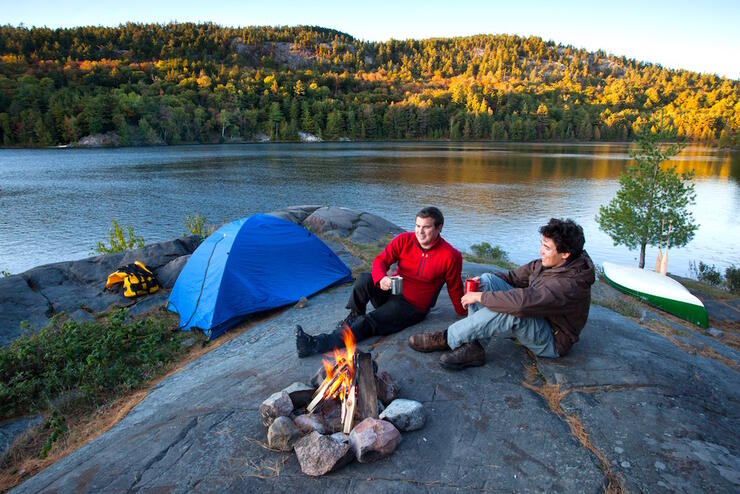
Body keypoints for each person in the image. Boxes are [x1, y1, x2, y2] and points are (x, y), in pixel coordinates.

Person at [408, 218, 594, 370]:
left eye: (546, 247)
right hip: (539, 316)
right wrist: (481, 285)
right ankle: (474, 347)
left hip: (551, 340)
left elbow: (521, 304)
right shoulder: (549, 264)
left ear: (565, 254)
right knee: (486, 280)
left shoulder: (570, 284)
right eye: (542, 245)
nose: (541, 251)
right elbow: (512, 277)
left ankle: (447, 338)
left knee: (510, 310)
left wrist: (480, 297)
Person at [296, 206, 466, 357]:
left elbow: (455, 290)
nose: (420, 232)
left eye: (426, 227)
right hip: (393, 291)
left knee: (369, 322)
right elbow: (380, 260)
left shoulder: (450, 256)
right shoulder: (405, 240)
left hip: (411, 307)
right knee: (364, 279)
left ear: (439, 228)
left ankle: (316, 344)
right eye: (417, 226)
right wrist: (381, 278)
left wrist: (467, 311)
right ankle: (355, 315)